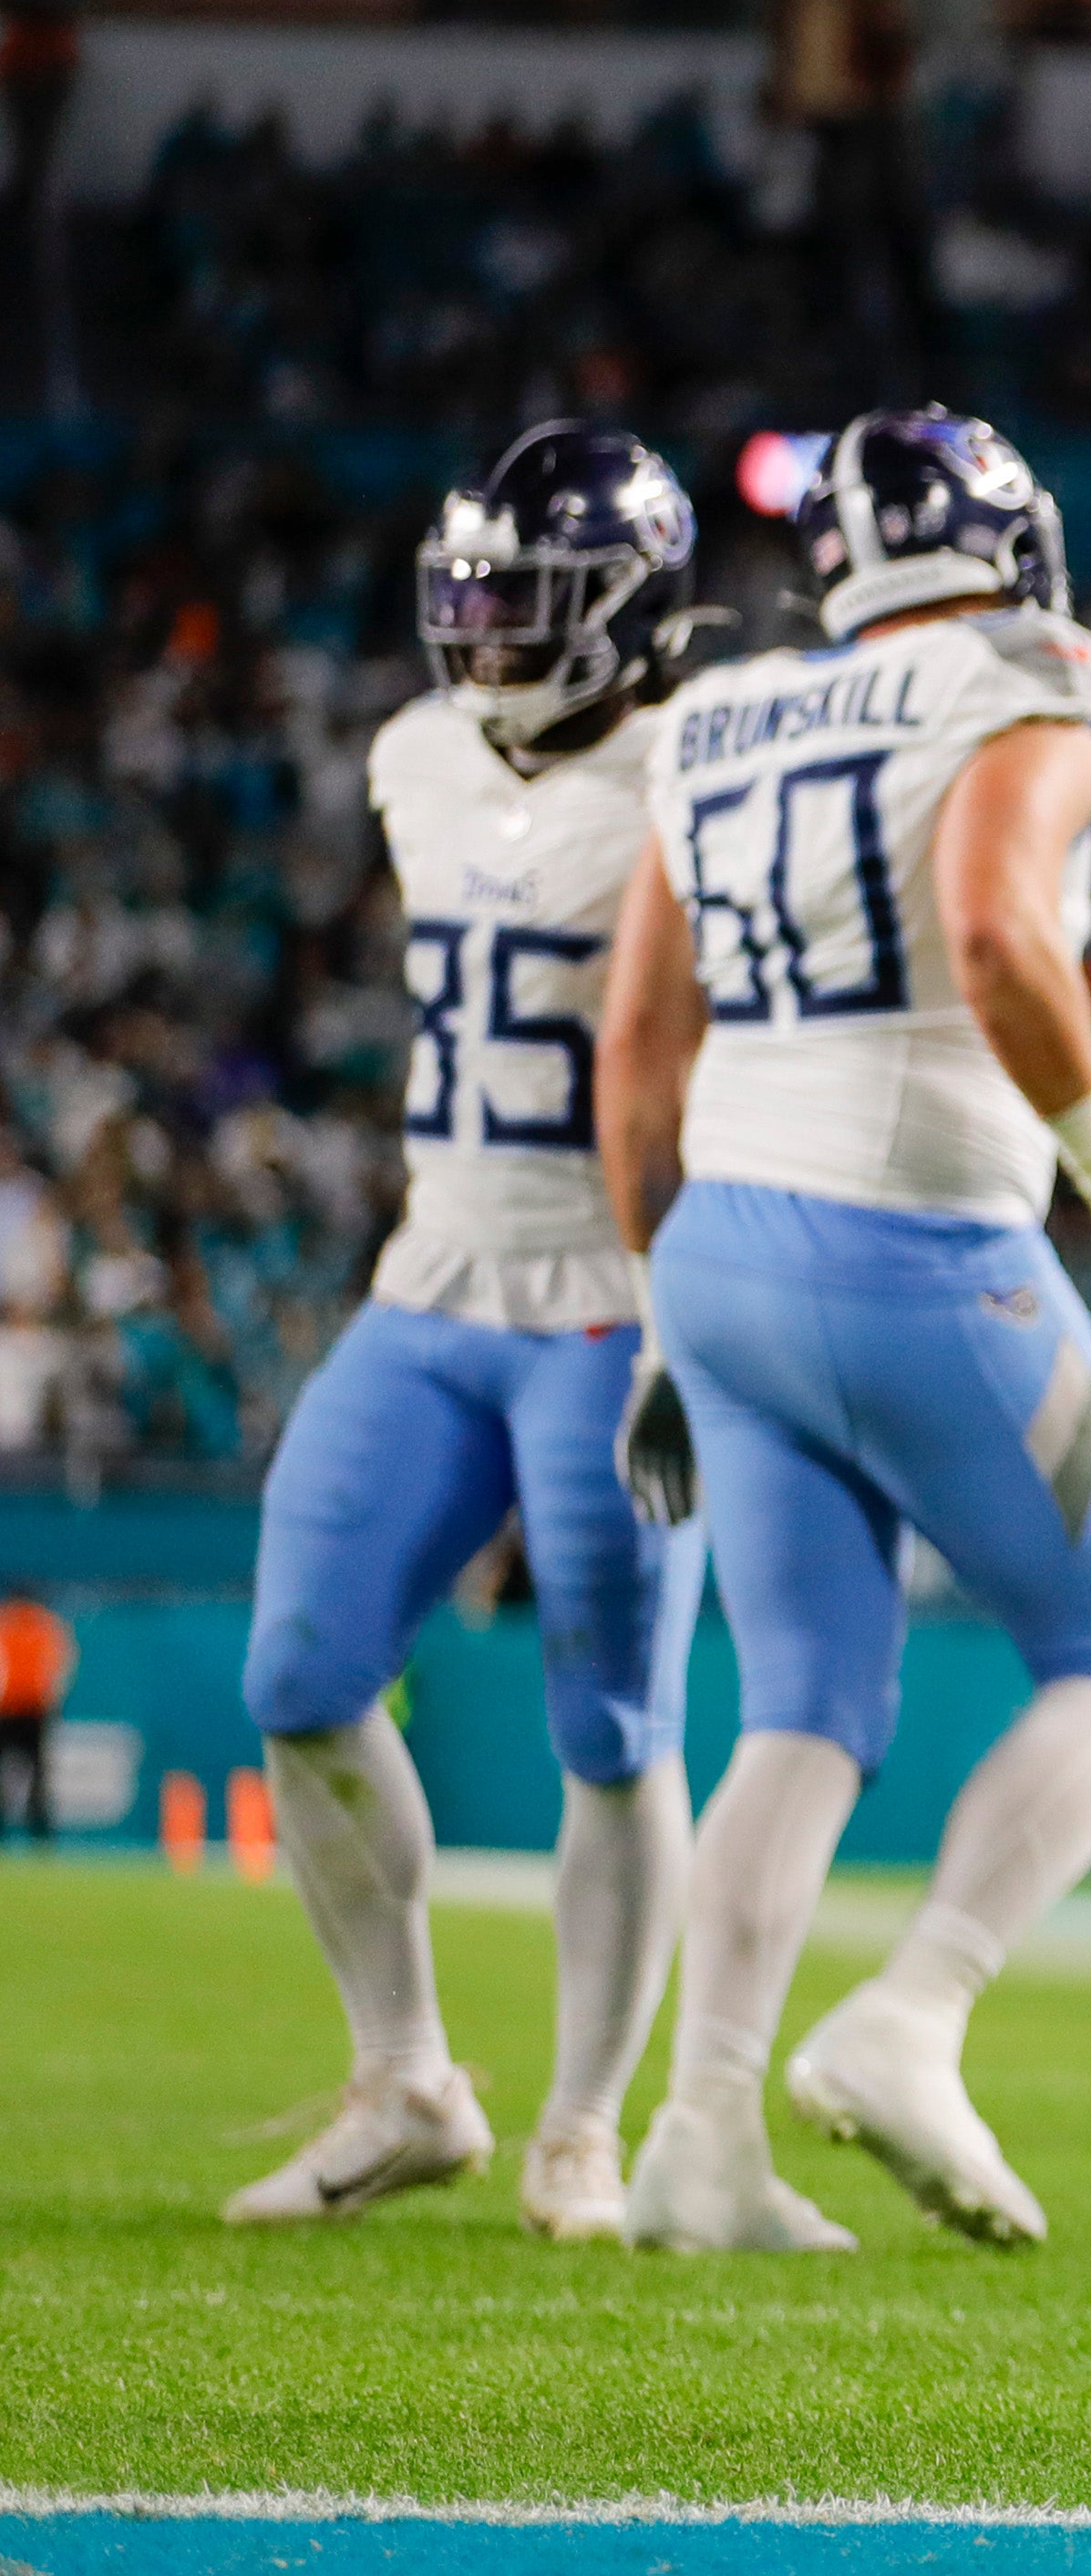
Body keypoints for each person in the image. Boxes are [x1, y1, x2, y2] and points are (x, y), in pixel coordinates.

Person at [597, 410, 1091, 2253]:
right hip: (918, 1242)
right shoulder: (1030, 667)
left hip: (717, 1248)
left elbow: (637, 1045)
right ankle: (914, 2010)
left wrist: (657, 1315)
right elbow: (1002, 931)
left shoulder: (712, 714)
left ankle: (701, 2132)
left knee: (801, 1704)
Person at [224, 425, 713, 2243]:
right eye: (477, 596)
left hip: (614, 1300)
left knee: (611, 1721)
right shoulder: (416, 753)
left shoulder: (699, 767)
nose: (490, 635)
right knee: (297, 1669)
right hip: (433, 1279)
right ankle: (408, 2076)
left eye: (530, 602)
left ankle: (582, 2124)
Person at [0, 1588, 64, 1841]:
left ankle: (37, 1830)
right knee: (38, 1773)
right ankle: (41, 1834)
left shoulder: (6, 1625)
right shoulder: (47, 1626)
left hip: (9, 1710)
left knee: (27, 1772)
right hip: (34, 1710)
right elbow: (57, 1671)